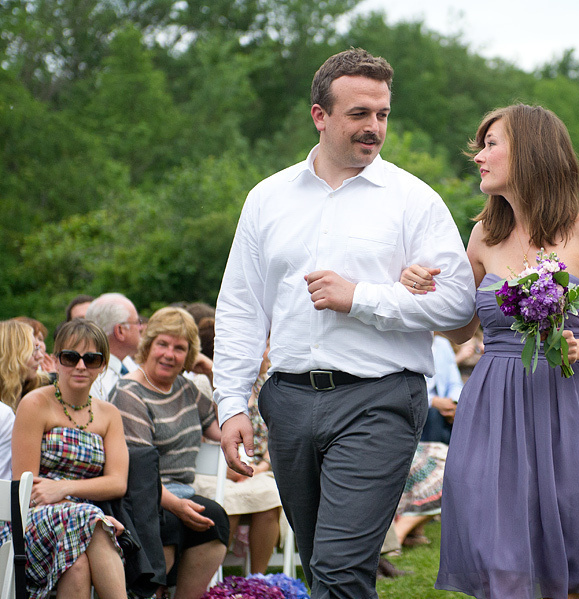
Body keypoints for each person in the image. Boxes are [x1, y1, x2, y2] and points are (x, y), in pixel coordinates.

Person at [213, 48, 475, 599]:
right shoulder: (267, 199)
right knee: (324, 567)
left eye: (382, 114)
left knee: (338, 566)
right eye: (359, 113)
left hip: (379, 399)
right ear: (320, 115)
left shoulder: (413, 201)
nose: (374, 127)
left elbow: (458, 305)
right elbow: (241, 306)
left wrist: (362, 297)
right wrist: (232, 401)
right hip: (286, 402)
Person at [402, 104, 579, 598]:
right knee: (498, 556)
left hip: (566, 408)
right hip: (492, 407)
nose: (479, 157)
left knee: (568, 563)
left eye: (491, 144)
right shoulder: (484, 235)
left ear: (529, 152)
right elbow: (461, 330)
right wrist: (423, 288)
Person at [4, 319, 128, 598]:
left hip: (83, 519)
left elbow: (118, 482)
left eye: (91, 358)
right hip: (31, 520)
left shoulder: (109, 415)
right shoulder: (35, 404)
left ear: (103, 365)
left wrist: (65, 489)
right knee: (91, 522)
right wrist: (88, 513)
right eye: (71, 357)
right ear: (56, 360)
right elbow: (25, 486)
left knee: (78, 563)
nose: (80, 366)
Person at [110, 307, 228, 599]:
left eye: (180, 348)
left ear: (188, 356)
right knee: (170, 521)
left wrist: (212, 371)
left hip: (181, 492)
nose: (169, 354)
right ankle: (151, 592)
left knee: (215, 520)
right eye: (162, 344)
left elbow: (222, 432)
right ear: (148, 345)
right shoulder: (129, 394)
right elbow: (137, 473)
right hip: (138, 495)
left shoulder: (187, 389)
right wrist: (175, 504)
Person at [193, 345, 283, 574]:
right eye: (265, 346)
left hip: (259, 467)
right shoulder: (211, 385)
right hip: (217, 468)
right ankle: (215, 578)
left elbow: (279, 433)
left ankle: (257, 579)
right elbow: (206, 432)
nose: (269, 353)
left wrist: (261, 468)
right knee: (228, 499)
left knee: (270, 496)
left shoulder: (270, 387)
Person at [0, 319, 44, 478]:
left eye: (38, 348)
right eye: (32, 350)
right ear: (13, 354)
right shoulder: (3, 413)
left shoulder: (38, 395)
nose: (40, 356)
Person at [85, 293, 146, 400]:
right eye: (136, 322)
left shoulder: (127, 364)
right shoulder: (96, 382)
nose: (140, 328)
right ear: (120, 331)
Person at [421, 333, 464, 444]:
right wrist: (433, 401)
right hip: (421, 409)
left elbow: (455, 383)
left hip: (444, 409)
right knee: (434, 416)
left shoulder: (442, 344)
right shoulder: (409, 344)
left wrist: (453, 404)